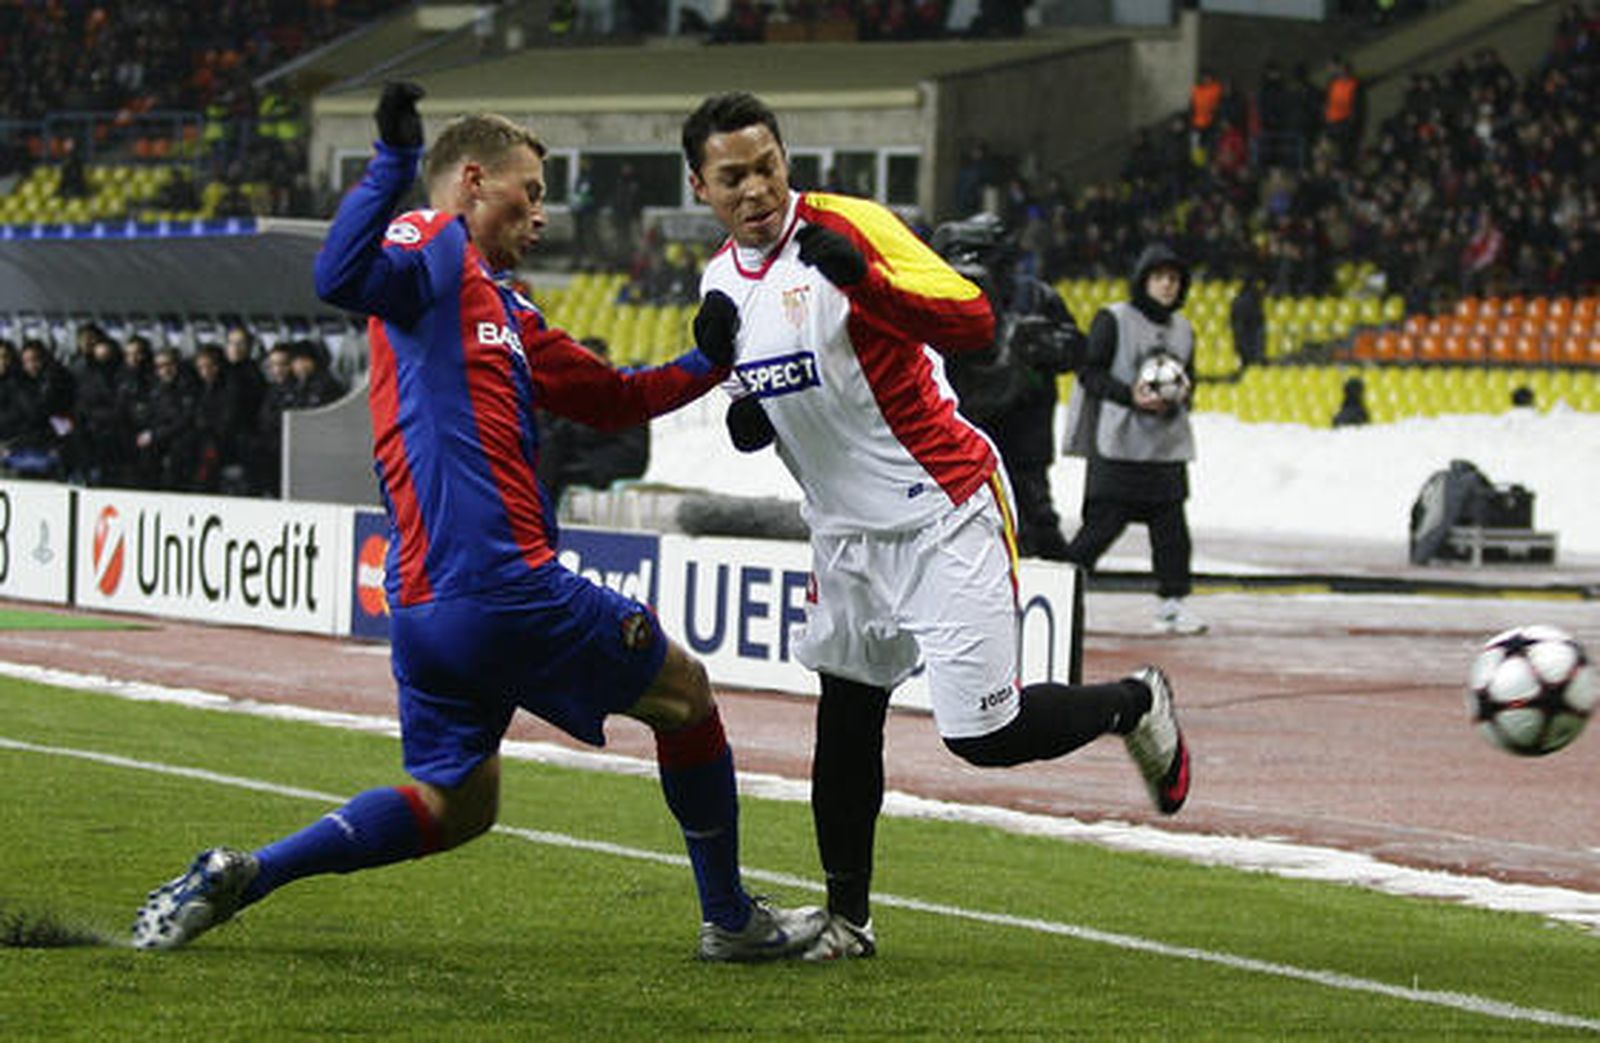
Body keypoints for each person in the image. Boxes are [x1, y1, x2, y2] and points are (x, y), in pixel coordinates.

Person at [132, 83, 826, 963]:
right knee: (685, 695)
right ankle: (730, 920)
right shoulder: (433, 242)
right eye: (527, 192)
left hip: (426, 608)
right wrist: (390, 161)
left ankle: (245, 873)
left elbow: (613, 399)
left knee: (456, 804)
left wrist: (710, 358)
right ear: (470, 181)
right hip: (500, 584)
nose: (541, 213)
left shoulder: (502, 307)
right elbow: (338, 276)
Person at [682, 91, 1191, 962]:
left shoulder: (852, 227)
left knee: (984, 734)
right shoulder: (721, 282)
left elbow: (972, 321)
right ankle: (849, 920)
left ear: (786, 159)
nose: (756, 189)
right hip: (844, 533)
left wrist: (865, 281)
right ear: (700, 187)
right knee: (846, 718)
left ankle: (1136, 702)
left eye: (767, 166)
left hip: (941, 507)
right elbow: (765, 415)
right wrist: (738, 403)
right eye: (733, 177)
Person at [1060, 243, 1206, 637]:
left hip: (1165, 447)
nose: (1167, 285)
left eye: (1174, 279)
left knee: (1172, 533)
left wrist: (1180, 396)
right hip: (1119, 446)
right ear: (1143, 280)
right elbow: (1089, 373)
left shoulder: (1184, 328)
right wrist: (1131, 396)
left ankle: (1173, 605)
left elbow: (1190, 377)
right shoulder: (1113, 319)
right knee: (1099, 530)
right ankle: (1058, 597)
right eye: (1159, 277)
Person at [932, 212, 1081, 560]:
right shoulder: (941, 295)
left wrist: (1040, 345)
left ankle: (1056, 580)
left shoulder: (1035, 296)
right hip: (963, 426)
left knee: (1035, 517)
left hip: (1023, 432)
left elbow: (1076, 349)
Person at [536, 336, 652, 505]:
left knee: (554, 466)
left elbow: (594, 431)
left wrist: (565, 429)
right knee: (546, 450)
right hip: (582, 455)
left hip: (616, 458)